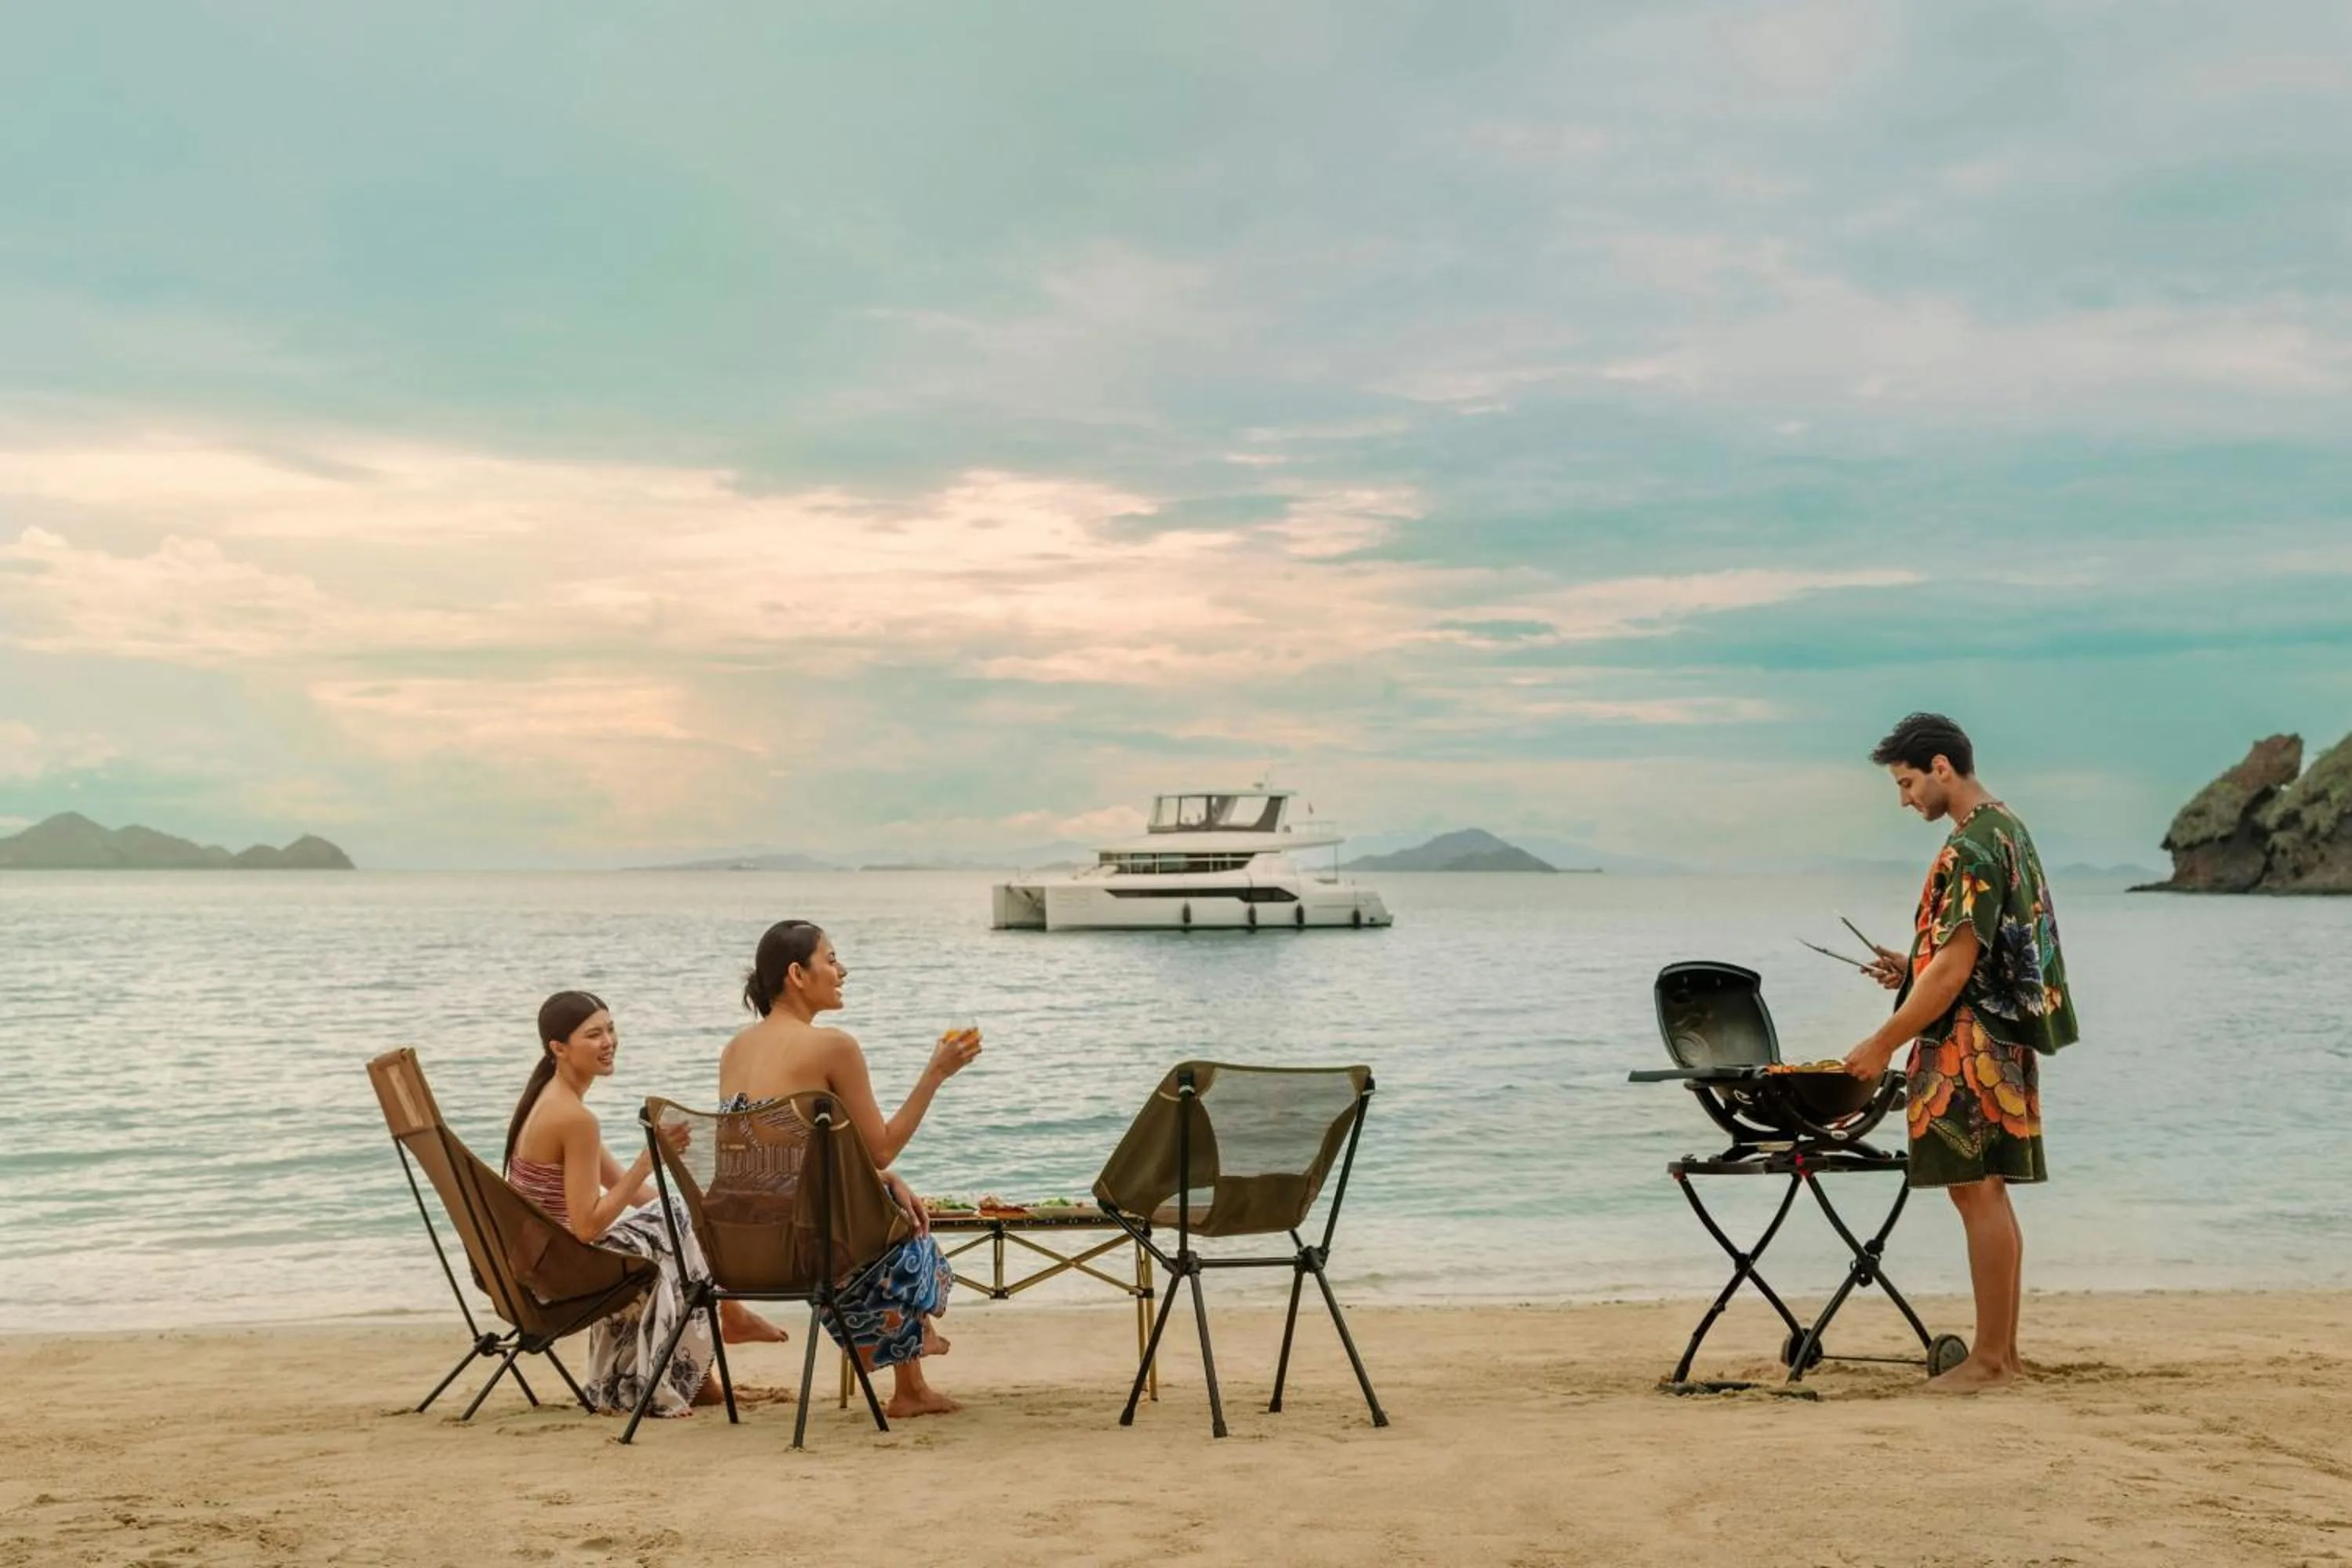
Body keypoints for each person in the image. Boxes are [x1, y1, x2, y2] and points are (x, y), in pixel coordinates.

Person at [1842, 713, 2077, 1393]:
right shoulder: (2010, 830)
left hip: (1969, 1045)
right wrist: (1912, 962)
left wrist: (1881, 1043)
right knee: (1989, 1194)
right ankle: (2002, 1355)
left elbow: (1953, 974)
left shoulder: (1969, 848)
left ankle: (1990, 1363)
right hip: (2002, 1039)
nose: (1905, 798)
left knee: (1977, 1194)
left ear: (1942, 767)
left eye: (1908, 782)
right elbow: (1976, 954)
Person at [718, 919, 982, 1418]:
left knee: (885, 1199)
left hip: (745, 1247)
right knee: (909, 1230)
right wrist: (936, 1073)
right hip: (811, 1248)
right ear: (798, 973)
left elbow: (770, 1155)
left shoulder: (735, 1049)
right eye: (832, 959)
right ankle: (911, 1379)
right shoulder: (833, 1046)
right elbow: (881, 1148)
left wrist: (874, 1178)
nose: (843, 971)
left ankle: (907, 1365)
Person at [505, 989, 783, 1418]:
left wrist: (700, 1213)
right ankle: (725, 1328)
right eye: (593, 1034)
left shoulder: (551, 1103)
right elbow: (586, 1227)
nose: (609, 1041)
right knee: (673, 1217)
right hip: (566, 1273)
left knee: (677, 1216)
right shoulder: (574, 1119)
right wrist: (650, 1156)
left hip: (545, 1264)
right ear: (558, 1048)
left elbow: (624, 1189)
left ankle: (714, 1352)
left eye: (611, 1029)